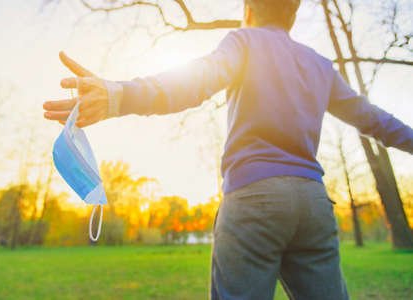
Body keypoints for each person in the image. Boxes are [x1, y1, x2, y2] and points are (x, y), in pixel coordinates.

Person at [43, 0, 413, 299]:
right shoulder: (319, 65)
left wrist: (120, 95)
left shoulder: (244, 42)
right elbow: (375, 119)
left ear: (248, 9)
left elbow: (196, 81)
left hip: (255, 200)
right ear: (293, 15)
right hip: (312, 204)